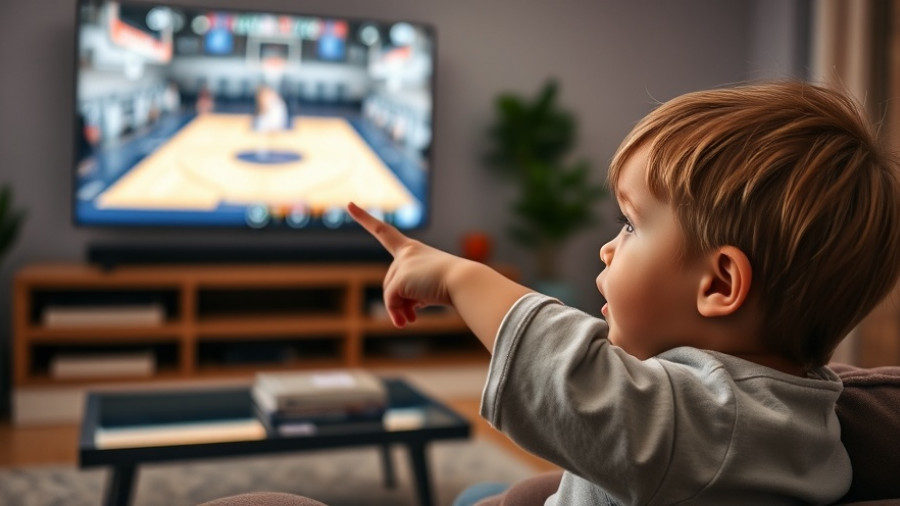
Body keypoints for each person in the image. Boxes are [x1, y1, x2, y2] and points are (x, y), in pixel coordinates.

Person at [346, 80, 900, 505]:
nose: (608, 248)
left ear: (720, 284)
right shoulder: (795, 409)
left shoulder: (720, 424)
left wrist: (461, 278)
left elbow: (575, 381)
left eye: (631, 226)